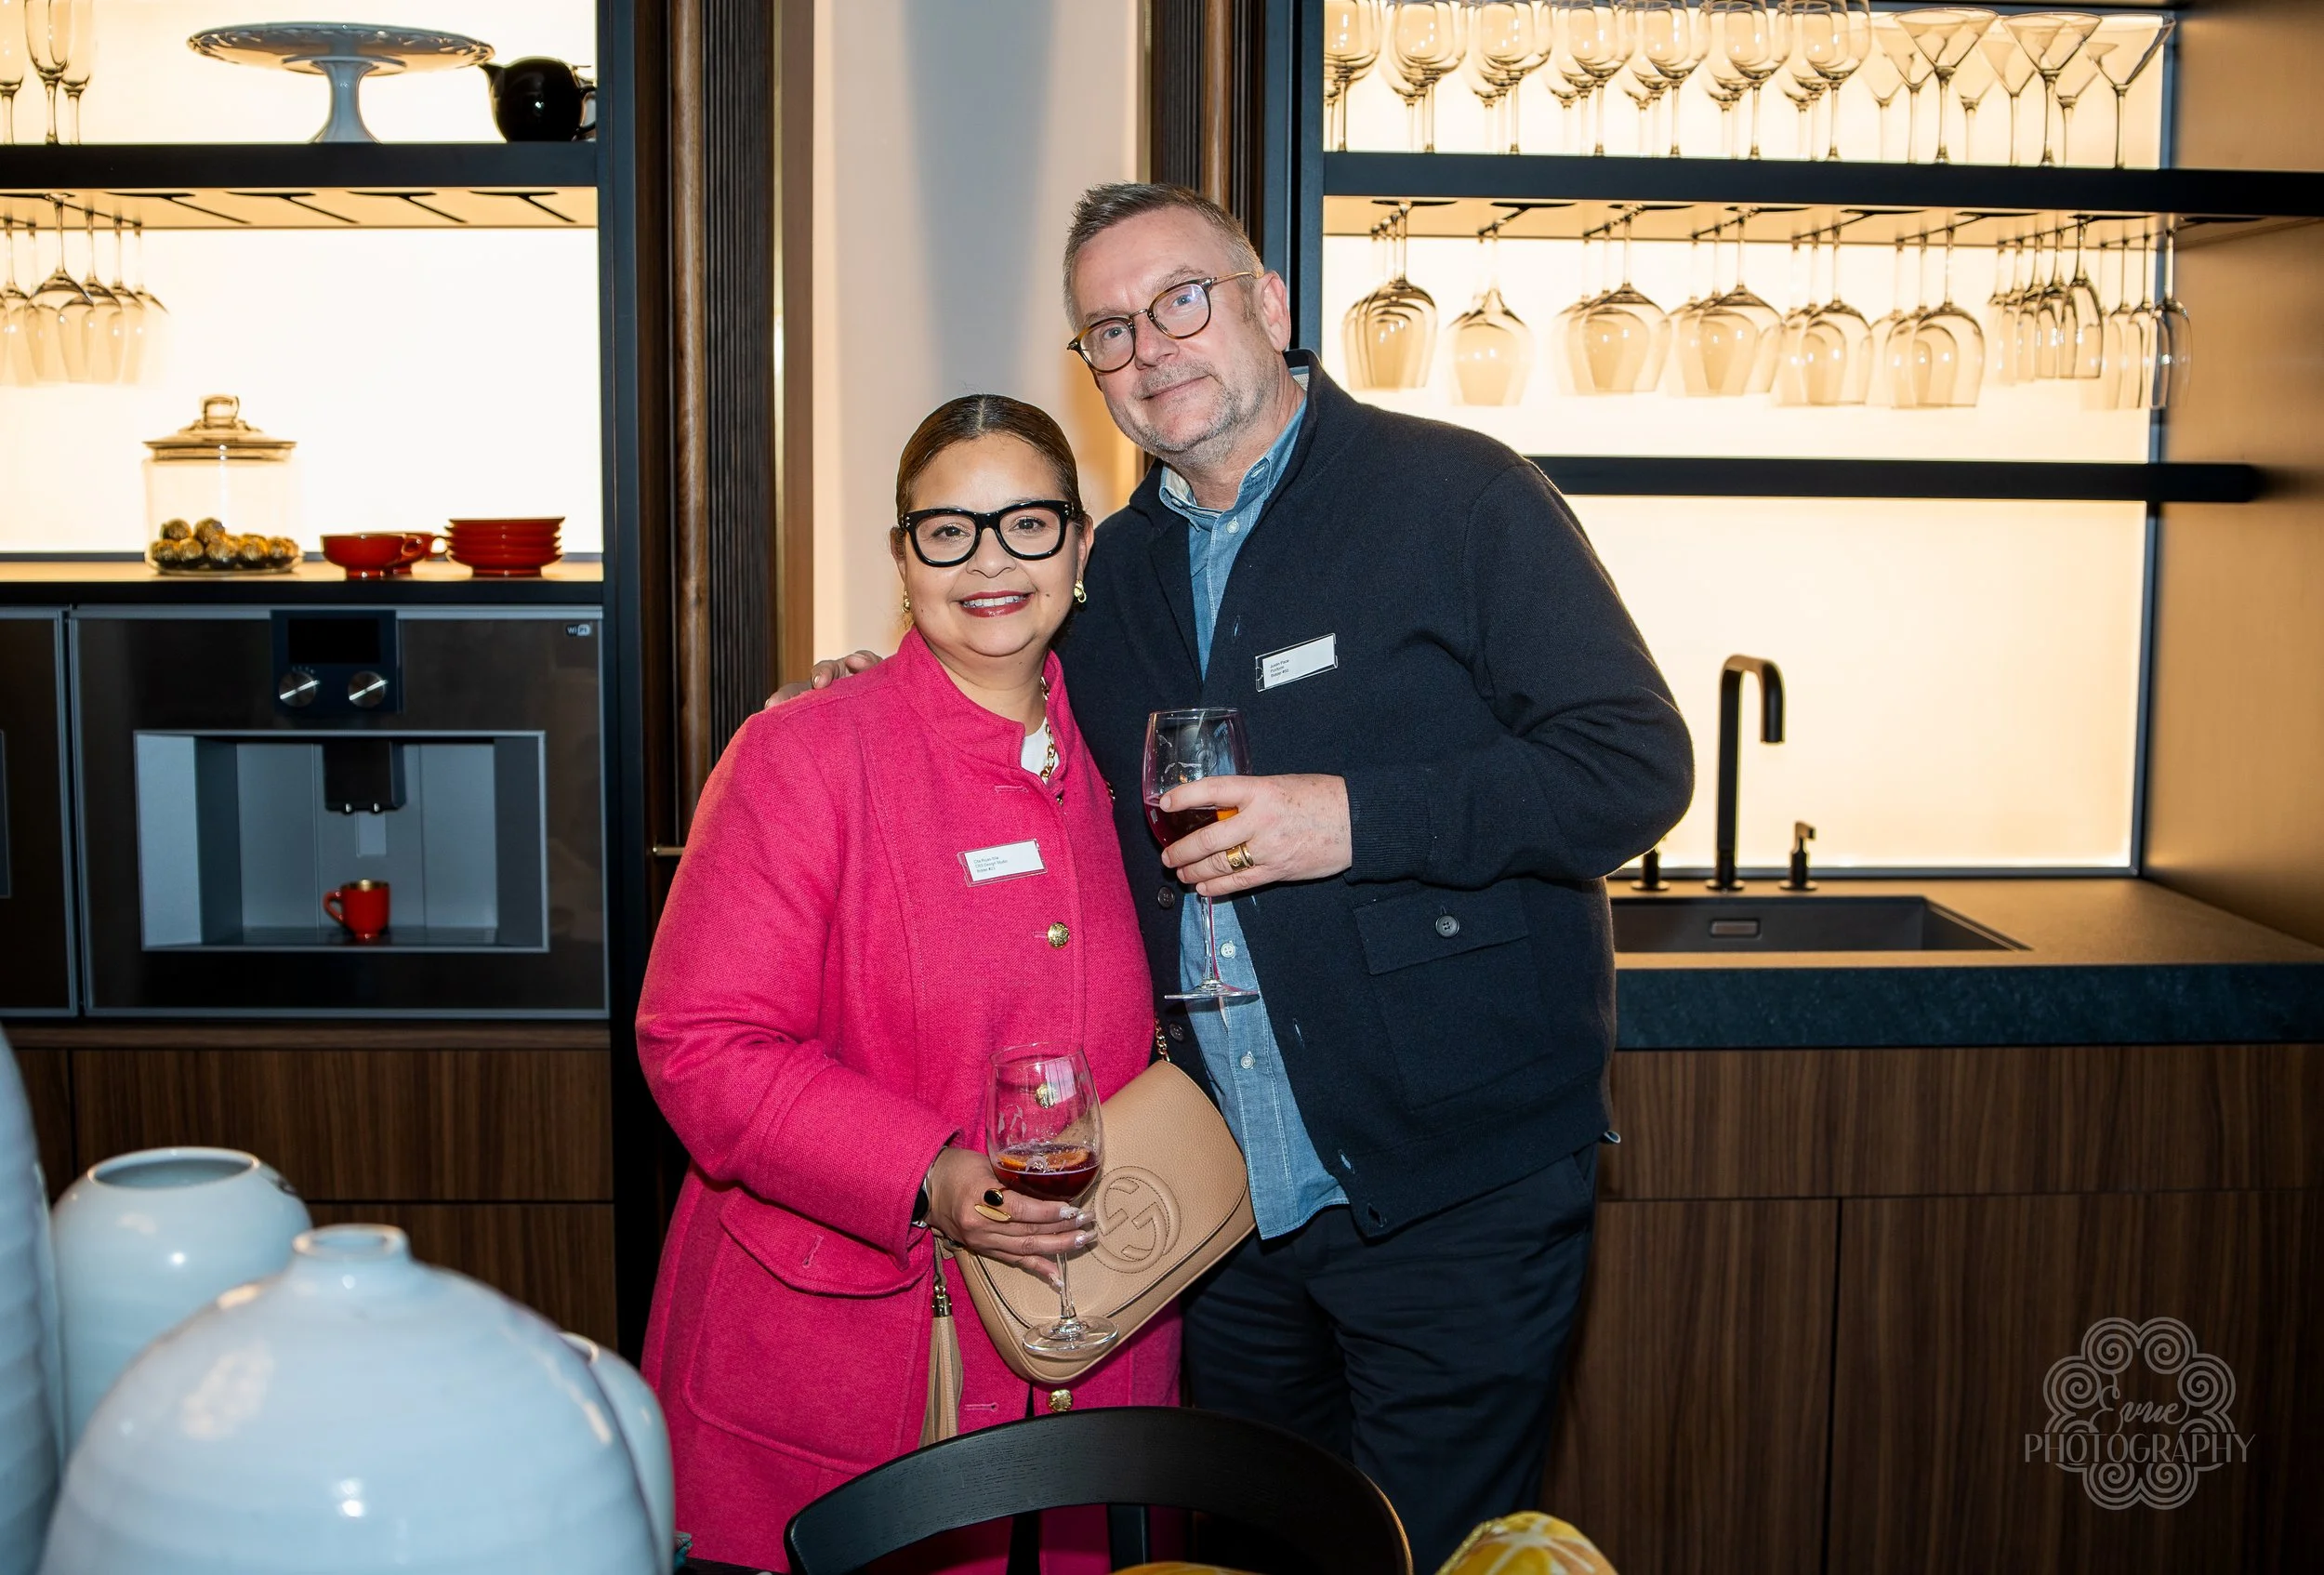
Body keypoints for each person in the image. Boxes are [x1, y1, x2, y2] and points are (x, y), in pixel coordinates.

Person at [786, 183, 1692, 1569]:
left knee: (1426, 1548)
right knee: (1265, 1547)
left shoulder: (1456, 497)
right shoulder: (1119, 573)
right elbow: (1002, 682)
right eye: (1108, 329)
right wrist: (878, 681)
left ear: (1269, 303)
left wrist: (1355, 819)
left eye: (1181, 301)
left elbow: (1634, 764)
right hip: (1226, 1210)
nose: (1150, 347)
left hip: (1454, 1186)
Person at [638, 394, 1179, 1572]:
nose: (990, 560)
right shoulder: (803, 754)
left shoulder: (1121, 755)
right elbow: (702, 1042)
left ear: (1079, 549)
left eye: (1028, 524)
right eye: (949, 531)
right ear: (903, 559)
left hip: (1088, 1348)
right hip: (848, 1364)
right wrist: (928, 1172)